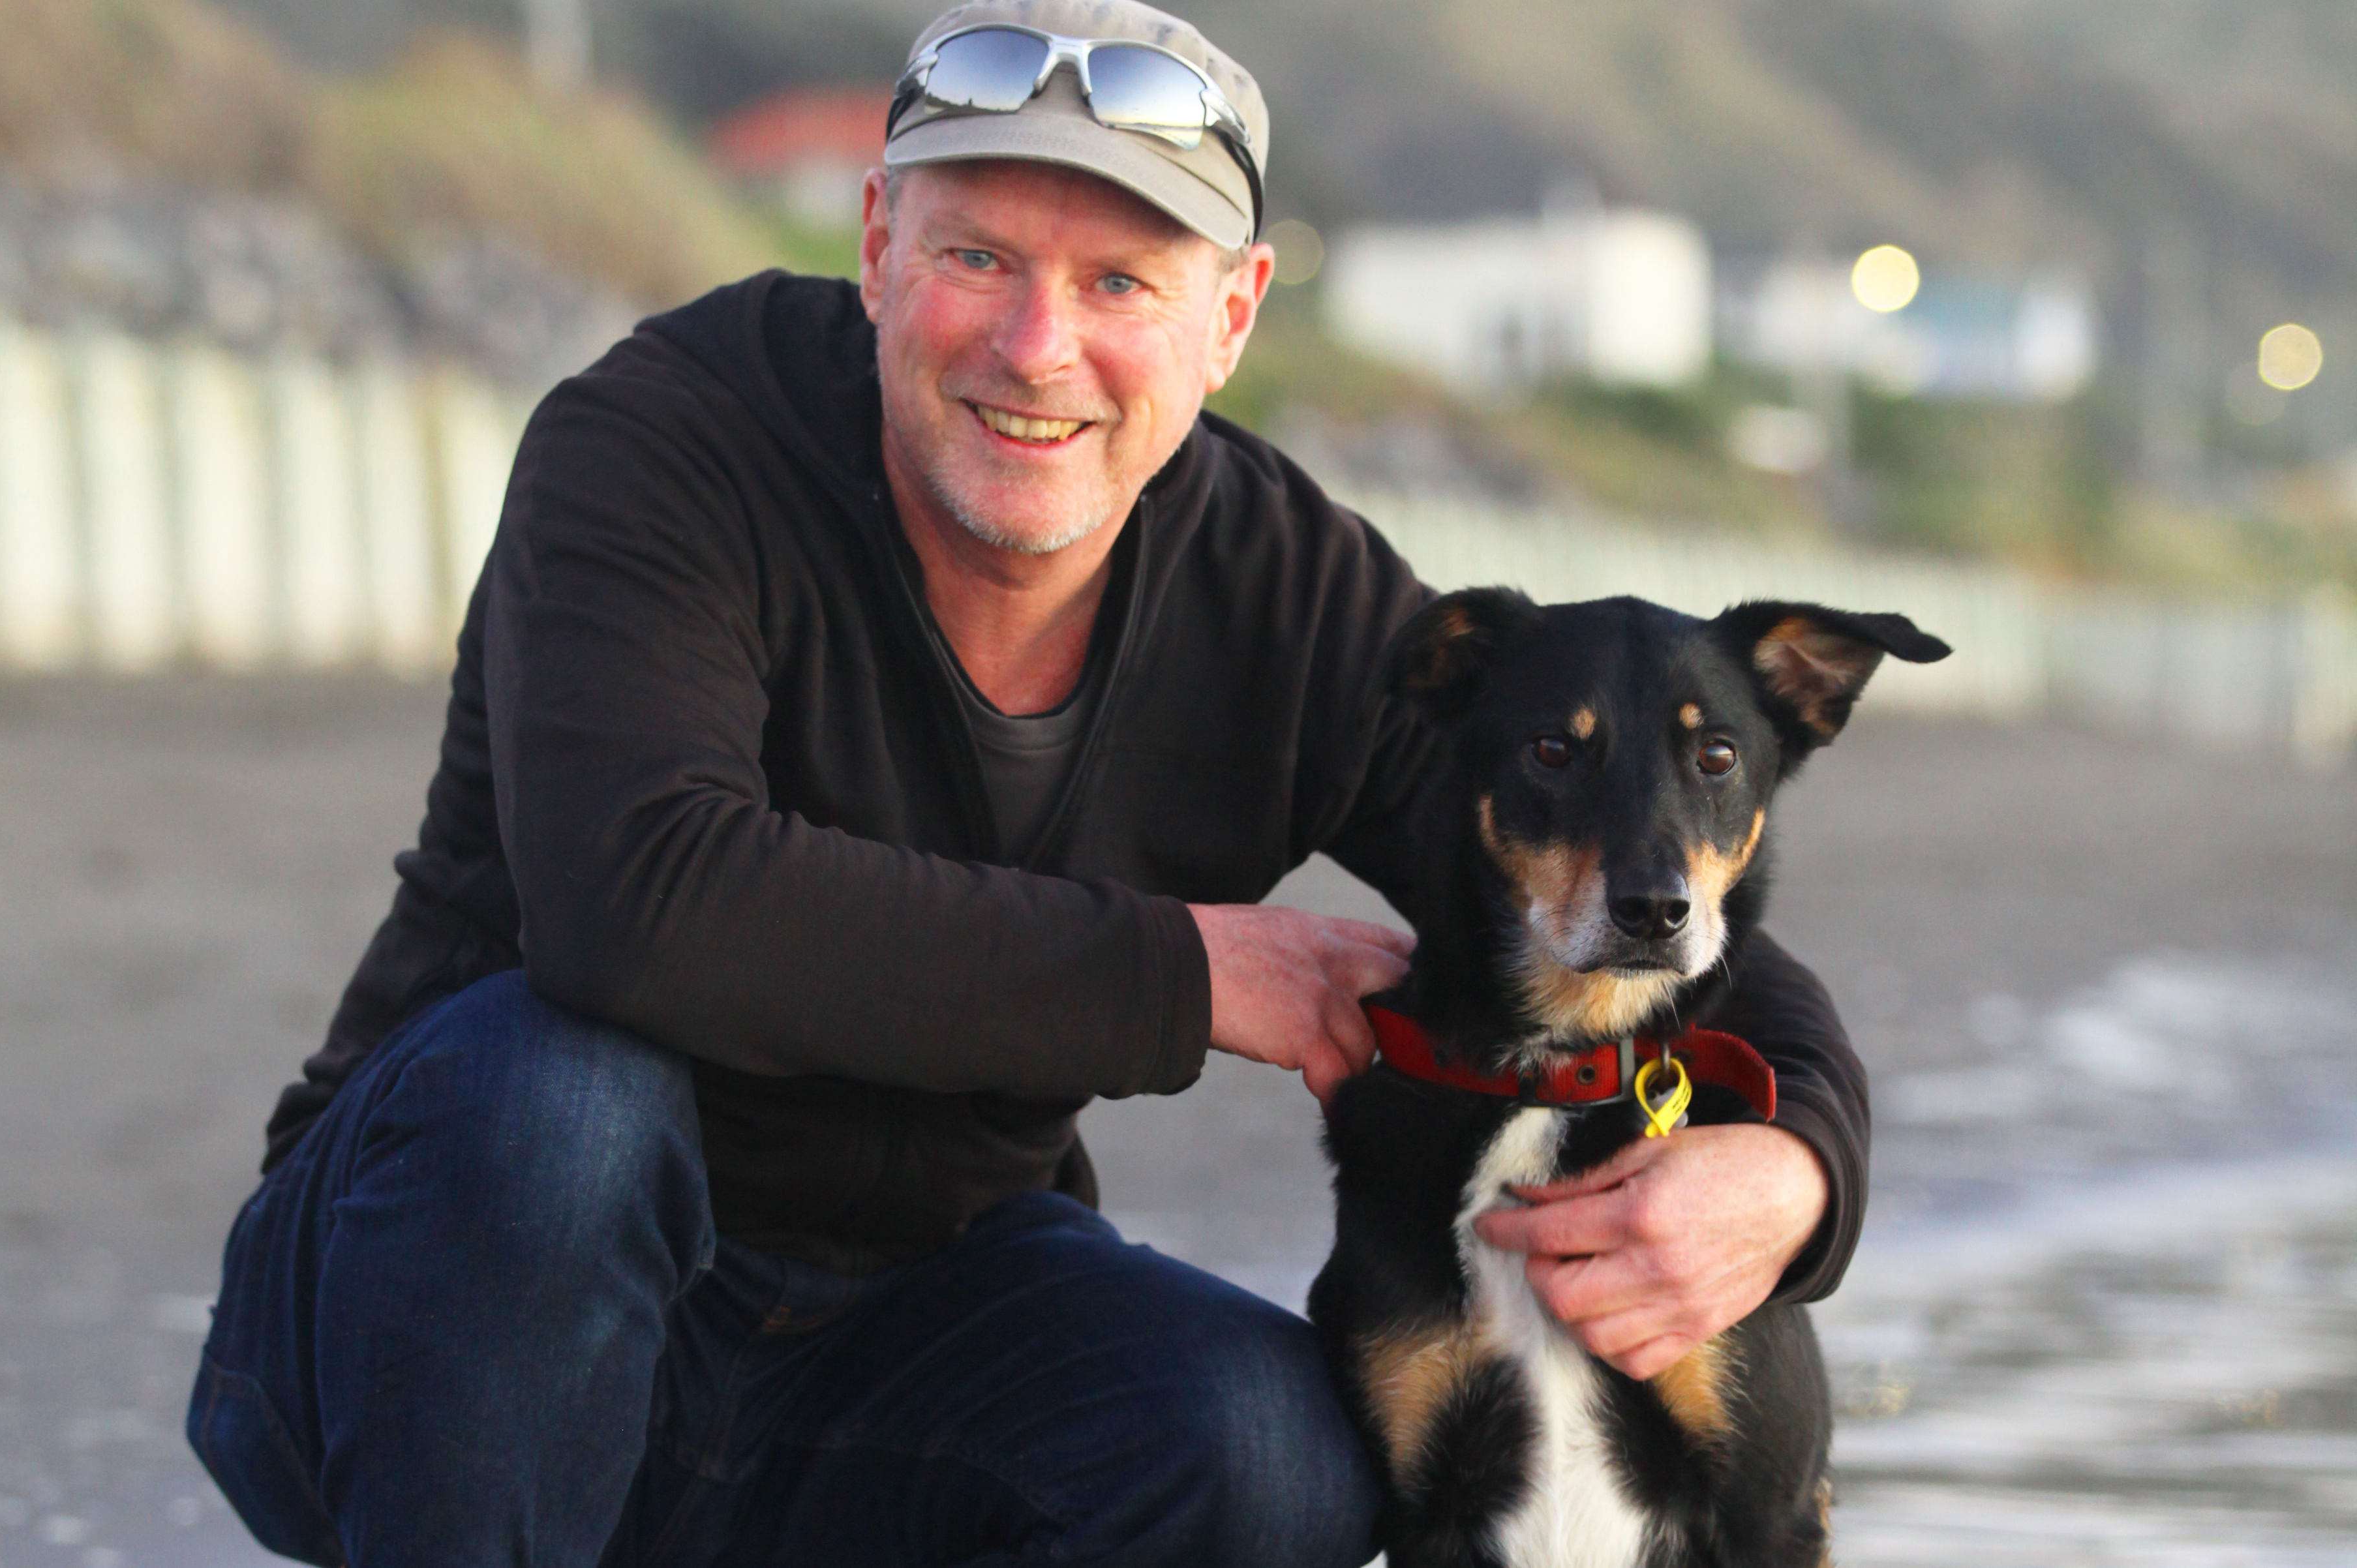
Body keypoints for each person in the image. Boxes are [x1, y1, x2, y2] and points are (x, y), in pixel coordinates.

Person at [187, 1, 1866, 1563]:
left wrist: (1795, 1173)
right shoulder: (668, 442)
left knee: (1271, 1451)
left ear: (1231, 317)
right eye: (977, 255)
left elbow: (1623, 884)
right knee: (563, 1105)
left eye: (1121, 283)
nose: (1037, 345)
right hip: (433, 1317)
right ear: (876, 247)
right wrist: (1187, 969)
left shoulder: (1283, 591)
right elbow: (640, 900)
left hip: (896, 1340)